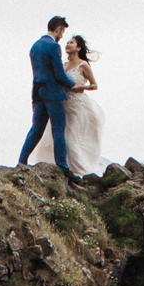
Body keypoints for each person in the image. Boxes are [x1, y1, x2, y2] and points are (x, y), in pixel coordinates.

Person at [28, 31, 110, 179]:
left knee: (71, 140)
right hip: (62, 103)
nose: (67, 44)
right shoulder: (63, 64)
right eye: (67, 42)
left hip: (77, 106)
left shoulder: (83, 65)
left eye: (71, 42)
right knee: (59, 137)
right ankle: (63, 168)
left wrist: (82, 87)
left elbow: (94, 85)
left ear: (78, 48)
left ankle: (78, 171)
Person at [18, 17, 76, 173]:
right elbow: (59, 74)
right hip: (52, 92)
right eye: (62, 32)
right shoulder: (53, 47)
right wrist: (73, 85)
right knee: (58, 129)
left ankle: (22, 162)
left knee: (36, 129)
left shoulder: (35, 46)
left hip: (37, 91)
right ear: (57, 29)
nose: (62, 36)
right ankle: (62, 167)